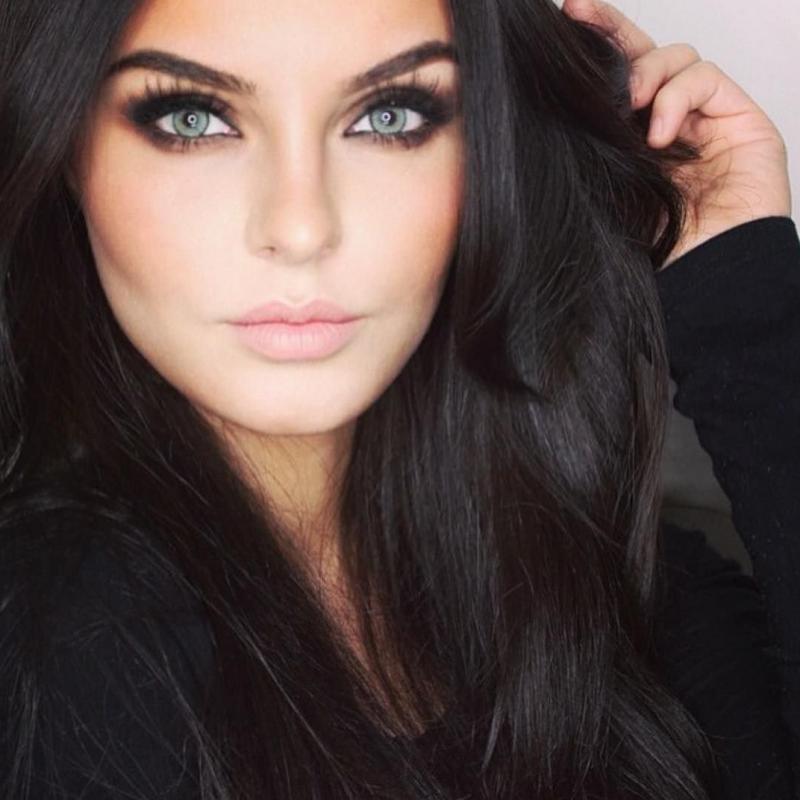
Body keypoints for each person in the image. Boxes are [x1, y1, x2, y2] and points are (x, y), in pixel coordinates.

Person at [0, 0, 796, 797]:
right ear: (66, 146)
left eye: (388, 115)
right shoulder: (47, 643)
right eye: (193, 119)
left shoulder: (594, 561)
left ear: (486, 150)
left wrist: (740, 290)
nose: (302, 227)